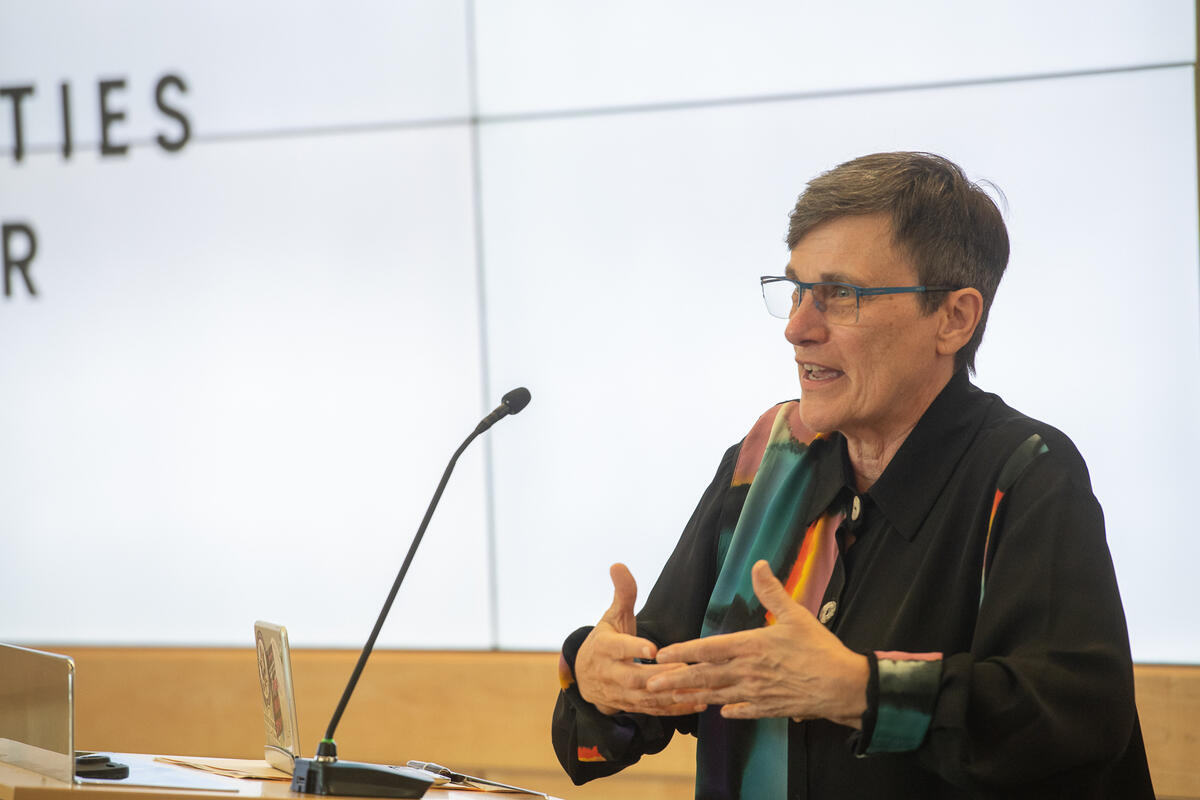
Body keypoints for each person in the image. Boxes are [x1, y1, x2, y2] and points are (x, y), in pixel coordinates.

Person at [550, 152, 1154, 799]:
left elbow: (1075, 725)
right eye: (797, 290)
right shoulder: (766, 462)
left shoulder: (1025, 473)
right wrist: (597, 674)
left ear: (954, 317)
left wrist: (858, 691)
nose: (797, 328)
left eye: (841, 295)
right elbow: (648, 696)